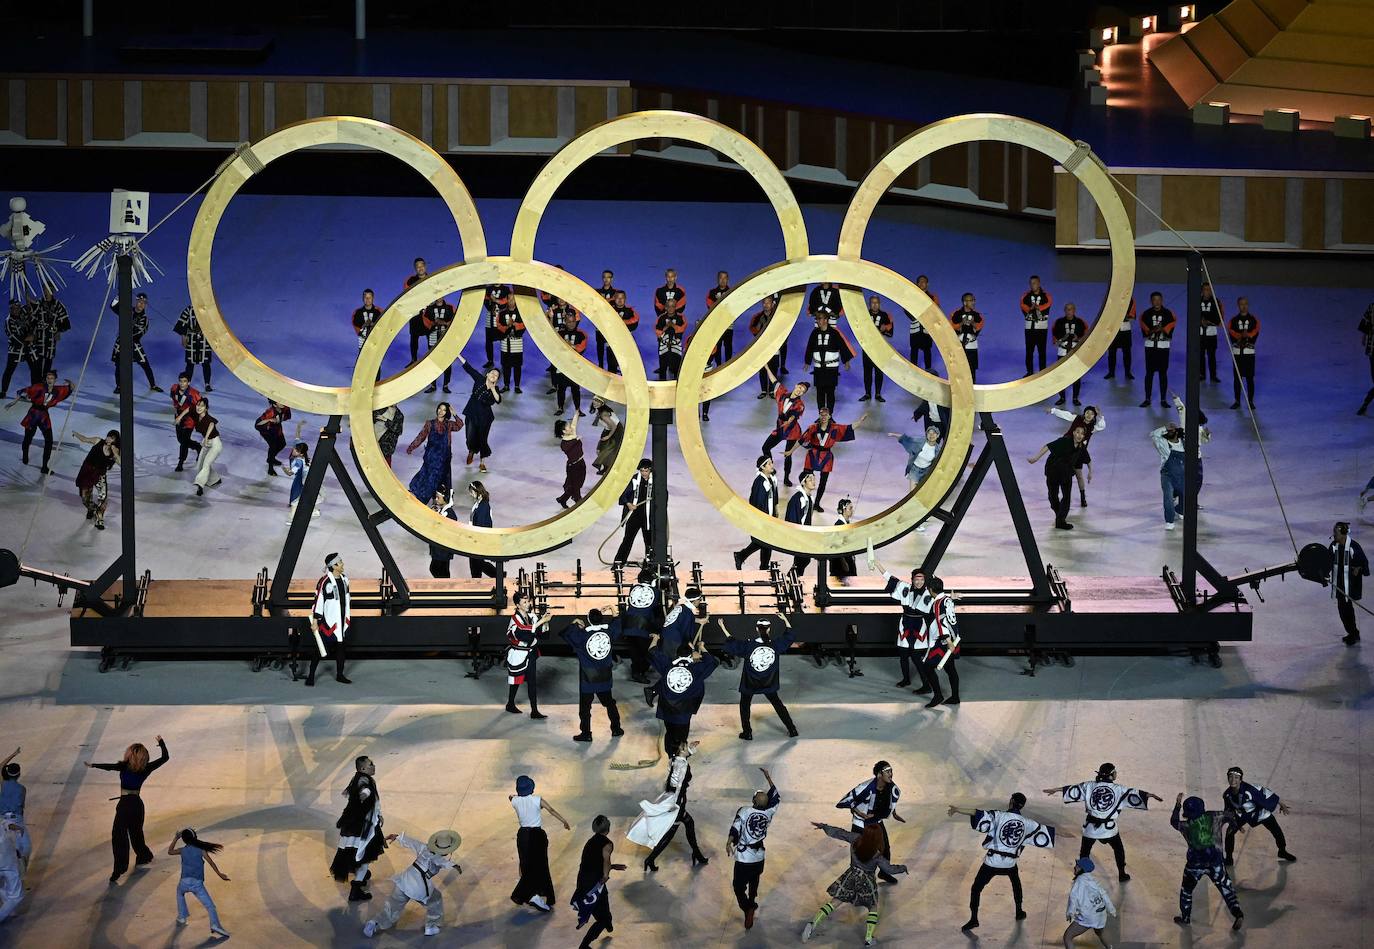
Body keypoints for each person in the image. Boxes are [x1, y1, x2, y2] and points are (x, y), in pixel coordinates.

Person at [949, 792, 1056, 932]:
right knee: (1016, 884)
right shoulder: (1028, 823)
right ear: (1022, 806)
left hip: (992, 862)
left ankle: (974, 919)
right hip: (1010, 864)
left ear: (1011, 801)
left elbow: (976, 813)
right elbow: (1047, 833)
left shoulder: (999, 816)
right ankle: (1019, 911)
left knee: (976, 889)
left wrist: (957, 809)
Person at [1042, 763, 1162, 882]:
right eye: (1115, 772)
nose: (1116, 774)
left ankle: (1081, 876)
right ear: (1111, 775)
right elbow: (1136, 794)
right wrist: (1149, 795)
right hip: (1109, 830)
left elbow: (1072, 789)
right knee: (1118, 849)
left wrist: (1056, 790)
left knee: (1084, 852)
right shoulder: (1119, 790)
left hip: (1090, 829)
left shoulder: (1089, 786)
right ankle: (1122, 873)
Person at [801, 820, 908, 945]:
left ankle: (813, 924)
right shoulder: (877, 855)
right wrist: (903, 868)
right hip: (867, 882)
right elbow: (889, 869)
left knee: (835, 902)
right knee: (872, 907)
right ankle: (868, 938)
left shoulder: (856, 839)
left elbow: (839, 833)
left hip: (851, 876)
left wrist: (824, 826)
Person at [85, 735, 170, 883]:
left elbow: (109, 767)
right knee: (136, 833)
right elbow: (165, 758)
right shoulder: (146, 768)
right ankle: (143, 856)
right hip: (137, 805)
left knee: (119, 836)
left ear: (130, 755)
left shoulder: (124, 767)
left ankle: (119, 869)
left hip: (125, 806)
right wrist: (161, 742)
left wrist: (93, 765)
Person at [363, 829, 461, 938]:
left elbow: (413, 843)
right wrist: (454, 865)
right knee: (435, 900)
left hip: (404, 880)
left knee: (393, 906)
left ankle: (374, 923)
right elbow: (441, 862)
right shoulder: (438, 858)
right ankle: (431, 927)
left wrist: (398, 837)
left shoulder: (425, 848)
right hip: (417, 886)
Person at [629, 739, 709, 870]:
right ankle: (651, 859)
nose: (687, 747)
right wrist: (677, 804)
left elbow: (680, 761)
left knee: (686, 825)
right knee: (676, 830)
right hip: (677, 800)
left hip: (669, 796)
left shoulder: (673, 761)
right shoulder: (683, 765)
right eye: (685, 747)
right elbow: (680, 785)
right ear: (681, 751)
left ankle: (696, 854)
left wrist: (691, 750)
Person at [1170, 793, 1243, 931]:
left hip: (1194, 866)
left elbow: (1173, 821)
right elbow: (1230, 814)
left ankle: (1185, 918)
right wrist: (1235, 825)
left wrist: (1177, 805)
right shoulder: (1214, 816)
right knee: (1226, 889)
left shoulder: (1185, 825)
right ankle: (1237, 913)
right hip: (1216, 863)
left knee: (1187, 891)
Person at [719, 615, 799, 739]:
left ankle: (747, 732)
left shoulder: (749, 645)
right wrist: (785, 620)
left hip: (750, 682)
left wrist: (723, 627)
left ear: (757, 629)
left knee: (745, 706)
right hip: (769, 682)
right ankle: (792, 729)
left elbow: (732, 642)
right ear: (769, 629)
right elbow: (790, 636)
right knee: (778, 704)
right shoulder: (775, 645)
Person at [836, 761, 906, 884]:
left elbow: (889, 800)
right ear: (879, 774)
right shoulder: (865, 788)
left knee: (885, 849)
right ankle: (856, 880)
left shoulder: (890, 786)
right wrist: (859, 813)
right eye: (887, 771)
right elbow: (848, 801)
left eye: (891, 771)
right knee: (860, 853)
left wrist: (894, 813)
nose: (891, 774)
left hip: (876, 822)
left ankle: (884, 873)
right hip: (861, 824)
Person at [728, 768, 780, 930]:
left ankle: (747, 907)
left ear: (754, 801)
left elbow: (736, 828)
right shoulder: (770, 812)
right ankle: (752, 901)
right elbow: (776, 796)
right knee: (754, 880)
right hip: (760, 857)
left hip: (745, 858)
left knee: (738, 886)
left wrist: (729, 841)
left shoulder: (744, 811)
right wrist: (768, 777)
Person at [509, 775, 570, 913]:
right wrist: (564, 821)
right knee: (541, 865)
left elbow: (510, 797)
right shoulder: (537, 800)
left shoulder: (515, 801)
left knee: (525, 863)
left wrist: (514, 796)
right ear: (532, 788)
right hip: (537, 836)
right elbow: (551, 810)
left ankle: (531, 892)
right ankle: (532, 895)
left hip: (523, 835)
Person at [562, 610, 625, 742]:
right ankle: (616, 728)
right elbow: (617, 624)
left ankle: (586, 733)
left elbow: (565, 634)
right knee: (609, 703)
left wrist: (574, 624)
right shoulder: (608, 632)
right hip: (604, 676)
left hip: (588, 678)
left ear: (588, 620)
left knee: (585, 708)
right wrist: (613, 610)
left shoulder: (583, 636)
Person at [874, 560, 937, 691]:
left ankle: (926, 685)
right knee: (903, 655)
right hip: (905, 623)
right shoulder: (906, 589)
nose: (919, 582)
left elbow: (941, 599)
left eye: (921, 579)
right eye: (916, 579)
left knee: (916, 657)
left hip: (919, 625)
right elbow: (889, 577)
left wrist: (952, 598)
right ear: (912, 580)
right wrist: (877, 564)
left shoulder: (928, 594)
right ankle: (906, 679)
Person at [789, 407, 867, 511]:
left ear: (830, 416)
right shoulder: (813, 427)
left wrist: (860, 421)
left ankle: (816, 504)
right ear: (819, 416)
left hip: (826, 457)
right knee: (805, 478)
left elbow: (849, 428)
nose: (824, 416)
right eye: (822, 414)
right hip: (813, 454)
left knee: (823, 482)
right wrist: (790, 451)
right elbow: (801, 440)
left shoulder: (834, 428)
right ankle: (803, 499)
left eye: (826, 414)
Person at [332, 755, 386, 902]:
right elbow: (365, 792)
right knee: (365, 857)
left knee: (356, 853)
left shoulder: (358, 777)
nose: (373, 766)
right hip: (363, 827)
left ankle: (362, 875)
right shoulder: (365, 781)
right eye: (371, 764)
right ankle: (356, 890)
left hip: (352, 825)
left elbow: (356, 794)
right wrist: (364, 795)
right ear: (363, 768)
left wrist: (378, 813)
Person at [648, 639, 718, 753]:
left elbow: (652, 651)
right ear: (691, 655)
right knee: (682, 741)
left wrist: (655, 639)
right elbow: (712, 662)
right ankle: (680, 761)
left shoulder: (667, 665)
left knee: (670, 734)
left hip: (667, 709)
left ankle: (671, 757)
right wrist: (701, 647)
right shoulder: (696, 669)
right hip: (684, 713)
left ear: (676, 654)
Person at [1221, 766, 1295, 867]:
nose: (1233, 780)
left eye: (1236, 777)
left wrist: (1281, 804)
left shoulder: (1250, 790)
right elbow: (1228, 811)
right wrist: (1234, 823)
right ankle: (1229, 858)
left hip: (1260, 813)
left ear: (1241, 779)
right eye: (1230, 777)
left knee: (1276, 831)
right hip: (1243, 815)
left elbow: (1267, 794)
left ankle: (1282, 851)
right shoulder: (1227, 795)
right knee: (1230, 832)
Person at [572, 816, 625, 949]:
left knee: (601, 908)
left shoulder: (590, 841)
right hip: (595, 884)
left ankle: (608, 923)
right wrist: (606, 875)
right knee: (602, 918)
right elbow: (605, 860)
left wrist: (612, 867)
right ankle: (584, 945)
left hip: (583, 880)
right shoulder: (607, 843)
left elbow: (594, 861)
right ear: (608, 828)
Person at [168, 828, 230, 937]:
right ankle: (215, 924)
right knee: (210, 906)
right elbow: (211, 862)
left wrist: (175, 838)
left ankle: (182, 917)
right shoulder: (201, 850)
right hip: (197, 884)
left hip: (184, 882)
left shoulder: (182, 850)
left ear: (184, 840)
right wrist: (220, 874)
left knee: (180, 893)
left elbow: (170, 851)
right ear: (194, 837)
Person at [7, 369, 71, 473]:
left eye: (52, 378)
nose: (50, 380)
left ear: (55, 380)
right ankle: (25, 454)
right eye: (48, 378)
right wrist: (14, 401)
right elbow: (22, 391)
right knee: (28, 438)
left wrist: (69, 383)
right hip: (33, 414)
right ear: (46, 379)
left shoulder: (58, 390)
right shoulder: (39, 387)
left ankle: (45, 466)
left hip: (44, 416)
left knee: (49, 441)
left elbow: (71, 388)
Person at [1027, 424, 1087, 530]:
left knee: (1066, 497)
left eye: (1082, 434)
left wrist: (1088, 472)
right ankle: (1059, 515)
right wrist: (1036, 458)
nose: (1079, 435)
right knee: (1053, 496)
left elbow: (1084, 460)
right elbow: (1048, 446)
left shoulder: (1081, 448)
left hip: (1066, 473)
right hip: (1053, 471)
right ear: (1073, 433)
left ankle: (1060, 521)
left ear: (1084, 437)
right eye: (1077, 432)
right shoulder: (1064, 441)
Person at [449, 353, 500, 472]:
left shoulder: (495, 390)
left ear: (497, 379)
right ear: (487, 374)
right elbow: (468, 368)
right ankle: (471, 451)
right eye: (492, 373)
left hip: (485, 417)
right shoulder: (479, 379)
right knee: (470, 436)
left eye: (496, 375)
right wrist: (458, 355)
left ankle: (482, 462)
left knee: (483, 438)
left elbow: (498, 400)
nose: (493, 375)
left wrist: (493, 389)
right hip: (472, 412)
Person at [760, 364, 809, 485]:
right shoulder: (782, 393)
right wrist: (766, 367)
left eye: (803, 391)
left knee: (788, 454)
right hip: (780, 427)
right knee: (765, 448)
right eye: (800, 387)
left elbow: (794, 415)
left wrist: (789, 420)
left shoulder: (800, 405)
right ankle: (770, 468)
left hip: (792, 431)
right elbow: (774, 381)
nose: (800, 391)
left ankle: (787, 478)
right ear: (796, 385)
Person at [307, 553, 352, 686]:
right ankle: (311, 676)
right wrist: (315, 621)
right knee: (319, 649)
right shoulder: (324, 581)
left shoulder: (345, 579)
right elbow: (318, 601)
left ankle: (340, 674)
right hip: (329, 622)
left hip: (342, 621)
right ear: (334, 565)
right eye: (340, 562)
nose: (343, 564)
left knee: (341, 648)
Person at [1048, 405, 1105, 508]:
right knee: (1063, 474)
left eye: (1092, 414)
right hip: (1066, 451)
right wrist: (1053, 410)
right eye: (1087, 412)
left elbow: (1102, 426)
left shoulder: (1093, 427)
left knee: (1079, 476)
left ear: (1094, 416)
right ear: (1084, 413)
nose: (1089, 415)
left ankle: (1082, 497)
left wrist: (1100, 415)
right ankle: (1062, 498)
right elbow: (1066, 415)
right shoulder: (1077, 418)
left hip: (1078, 454)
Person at [505, 591, 550, 719]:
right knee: (516, 681)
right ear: (518, 605)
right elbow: (522, 632)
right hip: (519, 653)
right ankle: (510, 703)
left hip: (530, 653)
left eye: (528, 601)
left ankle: (534, 710)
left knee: (531, 681)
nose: (528, 604)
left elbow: (541, 634)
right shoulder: (515, 619)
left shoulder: (532, 617)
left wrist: (545, 622)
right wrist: (541, 622)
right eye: (524, 602)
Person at [405, 402, 461, 502]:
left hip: (444, 459)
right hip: (431, 457)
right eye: (440, 408)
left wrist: (455, 414)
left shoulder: (449, 425)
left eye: (444, 410)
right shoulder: (430, 424)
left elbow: (460, 425)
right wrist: (411, 447)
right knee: (427, 477)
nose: (441, 411)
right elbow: (421, 436)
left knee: (440, 479)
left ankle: (437, 498)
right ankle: (422, 498)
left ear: (446, 412)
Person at [613, 568, 660, 683]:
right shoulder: (655, 592)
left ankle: (636, 671)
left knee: (634, 651)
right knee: (647, 652)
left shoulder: (633, 589)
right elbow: (654, 607)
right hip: (642, 627)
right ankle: (639, 672)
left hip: (629, 625)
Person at [109, 293, 162, 394]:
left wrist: (127, 334)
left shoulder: (144, 319)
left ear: (146, 305)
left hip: (134, 344)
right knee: (119, 365)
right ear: (136, 302)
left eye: (144, 303)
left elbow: (139, 333)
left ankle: (153, 385)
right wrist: (119, 296)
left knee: (145, 364)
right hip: (121, 343)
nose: (141, 304)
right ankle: (119, 386)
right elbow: (113, 306)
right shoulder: (127, 311)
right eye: (139, 302)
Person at [1326, 520, 1368, 644]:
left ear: (1343, 533)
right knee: (1342, 609)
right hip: (1339, 584)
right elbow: (1327, 561)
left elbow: (1363, 562)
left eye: (1336, 532)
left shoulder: (1354, 547)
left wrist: (1358, 568)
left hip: (1350, 585)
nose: (1334, 535)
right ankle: (1352, 632)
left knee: (1347, 609)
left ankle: (1353, 633)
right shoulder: (1334, 546)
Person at [803, 312, 853, 414]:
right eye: (816, 319)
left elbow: (842, 346)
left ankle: (829, 415)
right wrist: (807, 362)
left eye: (820, 318)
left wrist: (846, 361)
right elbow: (810, 347)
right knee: (820, 393)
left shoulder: (834, 333)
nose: (817, 321)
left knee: (830, 392)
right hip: (819, 369)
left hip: (831, 369)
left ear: (826, 320)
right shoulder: (814, 333)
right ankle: (821, 415)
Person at [923, 577, 962, 707]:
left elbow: (940, 623)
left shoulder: (937, 603)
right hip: (954, 638)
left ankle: (938, 695)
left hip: (945, 642)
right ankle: (955, 697)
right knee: (951, 669)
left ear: (931, 590)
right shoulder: (948, 599)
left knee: (927, 667)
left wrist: (948, 641)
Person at [1062, 857, 1116, 949]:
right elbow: (1104, 894)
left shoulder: (1079, 882)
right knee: (1099, 933)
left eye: (1077, 866)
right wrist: (1111, 909)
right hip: (1101, 914)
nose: (1074, 867)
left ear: (1081, 869)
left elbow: (1073, 898)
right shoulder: (1093, 880)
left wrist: (1070, 913)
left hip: (1088, 916)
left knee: (1067, 937)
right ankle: (1109, 947)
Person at [73, 430, 120, 530]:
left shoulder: (115, 450)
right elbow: (84, 439)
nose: (108, 439)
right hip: (87, 472)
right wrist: (75, 433)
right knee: (85, 499)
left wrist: (116, 454)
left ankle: (99, 519)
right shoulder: (98, 440)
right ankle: (92, 509)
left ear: (115, 440)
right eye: (108, 436)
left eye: (112, 438)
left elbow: (121, 464)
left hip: (100, 475)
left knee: (103, 498)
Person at [613, 458, 656, 565]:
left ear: (650, 470)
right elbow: (623, 495)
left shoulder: (656, 481)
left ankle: (650, 564)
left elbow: (664, 496)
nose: (644, 473)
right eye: (642, 471)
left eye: (646, 471)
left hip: (648, 517)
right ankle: (619, 562)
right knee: (627, 539)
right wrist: (628, 504)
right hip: (634, 516)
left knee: (650, 543)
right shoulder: (634, 479)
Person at [1138, 291, 1176, 408]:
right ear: (1151, 301)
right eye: (1154, 299)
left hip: (1163, 347)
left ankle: (1163, 399)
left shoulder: (1168, 313)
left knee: (1163, 373)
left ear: (1162, 300)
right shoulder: (1146, 314)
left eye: (1159, 299)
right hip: (1150, 346)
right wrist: (1153, 330)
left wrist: (1163, 329)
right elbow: (1145, 331)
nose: (1157, 302)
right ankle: (1147, 398)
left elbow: (1171, 326)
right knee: (1149, 373)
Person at [1149, 421, 1188, 532]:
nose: (1168, 432)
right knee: (1168, 497)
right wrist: (1164, 427)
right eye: (1167, 431)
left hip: (1182, 475)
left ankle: (1180, 510)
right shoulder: (1164, 444)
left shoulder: (1184, 443)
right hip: (1167, 475)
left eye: (1171, 431)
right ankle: (1169, 521)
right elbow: (1153, 434)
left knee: (1184, 494)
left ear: (1176, 432)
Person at [892, 420, 943, 498]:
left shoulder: (938, 449)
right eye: (929, 433)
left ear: (938, 435)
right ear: (926, 435)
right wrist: (894, 435)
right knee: (912, 494)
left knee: (922, 493)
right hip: (915, 470)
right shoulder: (919, 442)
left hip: (926, 472)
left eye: (934, 433)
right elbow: (907, 439)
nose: (931, 435)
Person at [28, 286, 70, 380]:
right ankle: (35, 386)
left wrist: (58, 330)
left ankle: (44, 386)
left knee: (47, 365)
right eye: (45, 290)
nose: (46, 292)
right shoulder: (38, 304)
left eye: (49, 290)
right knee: (36, 365)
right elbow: (32, 321)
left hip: (50, 341)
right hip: (39, 340)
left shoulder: (58, 305)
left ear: (53, 291)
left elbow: (67, 324)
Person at [749, 295, 787, 396]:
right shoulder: (757, 316)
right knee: (762, 369)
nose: (766, 305)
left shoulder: (777, 316)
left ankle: (771, 390)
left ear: (772, 304)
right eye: (764, 303)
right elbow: (752, 328)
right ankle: (763, 390)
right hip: (761, 346)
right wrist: (760, 334)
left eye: (768, 303)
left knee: (774, 368)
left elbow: (783, 328)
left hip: (774, 346)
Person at [1052, 302, 1088, 405]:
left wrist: (1079, 339)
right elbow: (1054, 336)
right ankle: (1062, 397)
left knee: (1076, 375)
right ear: (1064, 310)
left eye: (1071, 309)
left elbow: (1086, 336)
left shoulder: (1081, 322)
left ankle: (1075, 398)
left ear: (1074, 310)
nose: (1069, 311)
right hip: (1062, 351)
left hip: (1075, 352)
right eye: (1067, 309)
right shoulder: (1058, 322)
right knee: (1060, 375)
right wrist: (1059, 340)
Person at [554, 310, 589, 416]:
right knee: (561, 389)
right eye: (569, 322)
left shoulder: (581, 334)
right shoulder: (559, 334)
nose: (571, 324)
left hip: (575, 366)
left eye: (573, 321)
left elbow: (582, 347)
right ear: (565, 322)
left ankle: (578, 409)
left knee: (576, 389)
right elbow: (554, 348)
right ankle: (560, 407)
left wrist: (570, 346)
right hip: (562, 365)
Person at [1227, 296, 1259, 409]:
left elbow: (1255, 332)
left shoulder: (1254, 320)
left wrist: (1248, 336)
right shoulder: (1233, 321)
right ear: (1238, 305)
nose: (1244, 306)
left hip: (1249, 353)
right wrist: (1241, 336)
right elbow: (1231, 333)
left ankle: (1250, 401)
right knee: (1237, 378)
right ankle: (1237, 401)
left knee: (1250, 378)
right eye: (1241, 304)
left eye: (1246, 304)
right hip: (1237, 354)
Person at [859, 295, 893, 401]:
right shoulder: (864, 315)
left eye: (876, 302)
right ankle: (867, 393)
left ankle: (878, 394)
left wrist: (884, 330)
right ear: (869, 304)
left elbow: (891, 333)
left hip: (880, 348)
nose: (875, 305)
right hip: (867, 347)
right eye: (872, 303)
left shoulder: (885, 315)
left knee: (879, 371)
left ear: (879, 303)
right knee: (867, 371)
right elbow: (858, 330)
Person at [1, 299, 37, 398]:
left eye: (18, 308)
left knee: (34, 369)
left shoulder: (23, 312)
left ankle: (35, 392)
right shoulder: (8, 321)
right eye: (14, 308)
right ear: (11, 309)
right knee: (9, 371)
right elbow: (14, 337)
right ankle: (3, 391)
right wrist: (28, 338)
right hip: (15, 349)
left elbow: (34, 307)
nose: (16, 310)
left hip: (28, 348)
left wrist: (29, 300)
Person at [172, 304, 213, 390]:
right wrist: (183, 336)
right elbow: (182, 322)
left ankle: (207, 384)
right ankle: (187, 382)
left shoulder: (209, 308)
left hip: (205, 338)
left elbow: (214, 323)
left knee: (206, 363)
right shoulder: (189, 309)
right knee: (190, 364)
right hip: (191, 338)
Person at [420, 297, 456, 393]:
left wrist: (443, 323)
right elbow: (425, 323)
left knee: (446, 361)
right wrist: (433, 323)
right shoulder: (429, 308)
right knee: (432, 361)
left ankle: (446, 385)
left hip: (445, 336)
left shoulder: (450, 307)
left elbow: (456, 321)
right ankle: (433, 385)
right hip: (432, 336)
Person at [169, 372, 203, 472]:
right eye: (180, 381)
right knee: (181, 440)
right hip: (178, 417)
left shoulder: (194, 393)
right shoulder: (174, 388)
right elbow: (174, 402)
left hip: (190, 419)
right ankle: (198, 447)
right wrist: (176, 414)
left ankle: (180, 463)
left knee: (183, 442)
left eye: (184, 381)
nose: (182, 383)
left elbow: (198, 407)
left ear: (189, 382)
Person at [905, 275, 940, 370]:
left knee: (927, 350)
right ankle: (913, 370)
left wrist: (927, 318)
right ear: (917, 283)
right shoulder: (912, 296)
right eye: (919, 282)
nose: (921, 284)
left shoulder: (933, 297)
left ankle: (928, 369)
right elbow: (906, 308)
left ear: (927, 284)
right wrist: (914, 317)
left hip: (927, 329)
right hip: (915, 328)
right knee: (914, 350)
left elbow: (937, 311)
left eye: (923, 282)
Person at [190, 398, 223, 497]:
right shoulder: (196, 414)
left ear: (206, 408)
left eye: (202, 406)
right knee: (200, 465)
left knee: (206, 464)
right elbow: (188, 409)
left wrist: (206, 437)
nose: (199, 407)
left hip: (215, 444)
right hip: (206, 443)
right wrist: (179, 418)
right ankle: (215, 479)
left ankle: (200, 485)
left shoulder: (208, 418)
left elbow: (211, 424)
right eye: (198, 405)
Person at [1021, 275, 1053, 376]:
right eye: (1030, 283)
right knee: (1029, 351)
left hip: (1041, 328)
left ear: (1039, 283)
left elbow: (1048, 304)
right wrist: (1031, 308)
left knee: (1041, 351)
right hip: (1029, 328)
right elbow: (1023, 305)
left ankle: (1042, 372)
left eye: (1034, 283)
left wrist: (1037, 307)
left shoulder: (1046, 296)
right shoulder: (1025, 296)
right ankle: (1029, 371)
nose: (1032, 285)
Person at [0, 815, 28, 926]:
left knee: (3, 886)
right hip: (7, 860)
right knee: (17, 895)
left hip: (7, 858)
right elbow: (6, 824)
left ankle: (10, 911)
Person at [466, 480, 497, 579]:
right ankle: (496, 574)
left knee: (476, 563)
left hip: (479, 539)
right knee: (476, 562)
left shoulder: (483, 506)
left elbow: (481, 525)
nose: (470, 495)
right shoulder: (480, 503)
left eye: (471, 492)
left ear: (476, 491)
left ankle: (497, 574)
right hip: (476, 538)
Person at [950, 292, 984, 383]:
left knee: (971, 368)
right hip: (959, 344)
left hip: (972, 344)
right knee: (958, 368)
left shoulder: (977, 315)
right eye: (971, 300)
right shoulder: (956, 314)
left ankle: (972, 387)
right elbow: (951, 326)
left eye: (973, 300)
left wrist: (972, 323)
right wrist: (962, 323)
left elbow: (979, 326)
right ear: (964, 302)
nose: (973, 302)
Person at [283, 441, 321, 523]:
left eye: (296, 450)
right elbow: (297, 438)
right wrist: (299, 428)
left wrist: (284, 469)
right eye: (294, 449)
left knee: (295, 501)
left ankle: (291, 519)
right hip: (308, 481)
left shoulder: (299, 462)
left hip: (302, 482)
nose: (293, 450)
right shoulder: (304, 459)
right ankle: (314, 511)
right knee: (305, 498)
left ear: (301, 454)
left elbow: (290, 473)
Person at [555, 416, 587, 508]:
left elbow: (574, 424)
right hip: (573, 467)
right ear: (564, 431)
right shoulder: (564, 444)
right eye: (568, 427)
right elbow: (568, 446)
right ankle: (578, 501)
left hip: (581, 462)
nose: (571, 428)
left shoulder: (572, 434)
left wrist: (577, 412)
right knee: (575, 486)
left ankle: (562, 499)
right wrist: (576, 439)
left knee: (577, 484)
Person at [605, 290, 639, 375]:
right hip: (612, 343)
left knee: (626, 367)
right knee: (611, 367)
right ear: (614, 298)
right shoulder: (608, 310)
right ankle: (612, 384)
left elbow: (634, 324)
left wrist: (620, 322)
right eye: (617, 298)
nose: (620, 300)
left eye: (622, 298)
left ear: (625, 299)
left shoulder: (630, 311)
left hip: (626, 343)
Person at [254, 399, 291, 477]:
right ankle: (270, 468)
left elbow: (287, 413)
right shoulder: (270, 412)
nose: (282, 402)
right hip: (268, 432)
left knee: (282, 444)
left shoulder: (284, 408)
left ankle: (271, 458)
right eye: (279, 401)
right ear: (275, 405)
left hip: (277, 430)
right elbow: (257, 424)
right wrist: (269, 419)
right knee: (273, 447)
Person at [495, 301, 526, 393]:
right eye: (510, 299)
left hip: (517, 344)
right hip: (505, 344)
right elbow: (499, 326)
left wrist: (514, 325)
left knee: (517, 366)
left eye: (513, 299)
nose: (511, 302)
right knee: (506, 366)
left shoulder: (521, 313)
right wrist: (508, 327)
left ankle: (517, 386)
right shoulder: (502, 313)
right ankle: (506, 385)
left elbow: (524, 326)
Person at [426, 488, 458, 578]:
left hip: (442, 550)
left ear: (446, 498)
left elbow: (442, 530)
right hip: (440, 550)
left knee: (436, 569)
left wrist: (434, 517)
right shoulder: (443, 511)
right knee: (442, 571)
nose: (436, 499)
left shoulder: (449, 514)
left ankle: (446, 590)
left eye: (438, 497)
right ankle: (445, 589)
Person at [1102, 297, 1136, 381]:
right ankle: (1111, 372)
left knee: (1127, 352)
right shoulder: (1111, 296)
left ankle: (1128, 373)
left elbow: (1132, 316)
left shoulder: (1131, 299)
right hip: (1113, 329)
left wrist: (1123, 316)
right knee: (1111, 352)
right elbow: (1105, 313)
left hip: (1125, 329)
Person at [705, 270, 735, 362]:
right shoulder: (712, 292)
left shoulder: (732, 292)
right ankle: (718, 365)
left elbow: (733, 306)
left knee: (728, 345)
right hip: (716, 324)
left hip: (728, 324)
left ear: (728, 279)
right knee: (717, 345)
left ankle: (728, 364)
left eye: (725, 278)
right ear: (718, 279)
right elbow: (710, 307)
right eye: (721, 278)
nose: (723, 280)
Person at [351, 288, 383, 374]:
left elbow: (383, 325)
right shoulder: (358, 312)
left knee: (375, 360)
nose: (367, 299)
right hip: (363, 339)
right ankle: (361, 377)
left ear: (373, 298)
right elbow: (356, 325)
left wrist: (372, 324)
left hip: (375, 341)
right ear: (363, 298)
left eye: (369, 297)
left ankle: (376, 380)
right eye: (366, 297)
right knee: (362, 359)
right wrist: (364, 325)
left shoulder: (379, 312)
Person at [405, 258, 430, 363]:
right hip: (415, 313)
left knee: (431, 337)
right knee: (414, 337)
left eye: (421, 266)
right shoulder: (410, 281)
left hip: (428, 313)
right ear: (415, 269)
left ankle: (431, 359)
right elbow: (407, 296)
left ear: (425, 266)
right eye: (417, 267)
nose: (420, 268)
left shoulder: (432, 278)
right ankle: (413, 359)